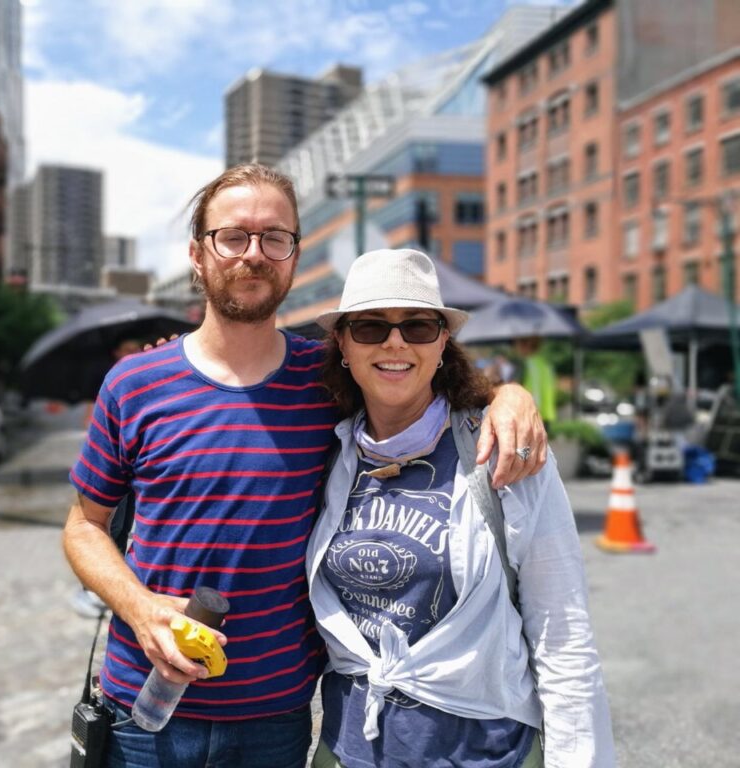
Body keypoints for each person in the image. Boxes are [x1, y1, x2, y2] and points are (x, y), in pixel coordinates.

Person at [63, 164, 548, 768]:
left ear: (295, 254)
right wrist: (139, 609)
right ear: (197, 253)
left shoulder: (325, 377)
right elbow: (84, 526)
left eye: (275, 238)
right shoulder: (135, 383)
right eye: (233, 236)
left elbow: (417, 375)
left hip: (277, 715)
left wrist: (507, 397)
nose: (254, 254)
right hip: (145, 708)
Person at [307, 248, 615, 767]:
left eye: (419, 326)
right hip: (350, 750)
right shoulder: (325, 449)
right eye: (370, 328)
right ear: (341, 342)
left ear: (443, 340)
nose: (395, 342)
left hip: (482, 752)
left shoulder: (504, 455)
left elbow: (563, 638)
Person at [73, 337, 143, 619]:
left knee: (125, 522)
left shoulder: (142, 375)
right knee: (105, 523)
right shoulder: (109, 381)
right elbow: (90, 421)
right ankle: (95, 588)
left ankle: (119, 580)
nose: (133, 352)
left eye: (135, 348)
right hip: (111, 461)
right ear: (116, 351)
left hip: (135, 461)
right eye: (127, 348)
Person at [514, 336, 557, 425]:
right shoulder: (545, 363)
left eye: (517, 345)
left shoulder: (526, 364)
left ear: (527, 345)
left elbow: (522, 389)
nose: (516, 349)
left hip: (533, 414)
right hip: (546, 413)